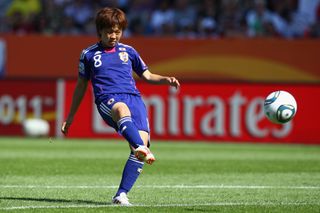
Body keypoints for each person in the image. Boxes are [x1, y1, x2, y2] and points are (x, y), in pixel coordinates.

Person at [61, 7, 180, 206]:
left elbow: (148, 75)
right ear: (100, 31)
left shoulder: (129, 51)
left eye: (118, 31)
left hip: (134, 98)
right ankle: (141, 148)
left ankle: (121, 195)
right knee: (121, 111)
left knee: (141, 143)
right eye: (109, 31)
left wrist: (166, 79)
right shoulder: (88, 54)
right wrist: (70, 116)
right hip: (108, 98)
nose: (114, 35)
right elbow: (81, 85)